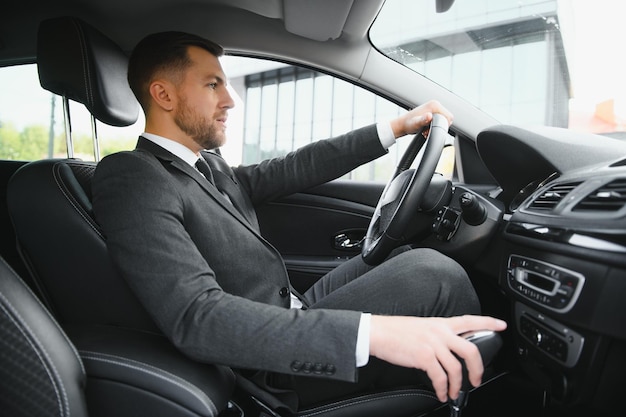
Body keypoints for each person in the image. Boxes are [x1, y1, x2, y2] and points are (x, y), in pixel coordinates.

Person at [92, 31, 506, 412]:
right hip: (265, 365)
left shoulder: (208, 166)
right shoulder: (134, 176)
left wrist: (394, 128)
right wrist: (373, 333)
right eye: (212, 84)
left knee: (411, 254)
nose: (230, 99)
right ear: (163, 94)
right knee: (437, 274)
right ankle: (475, 402)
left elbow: (294, 167)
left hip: (290, 307)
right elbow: (196, 318)